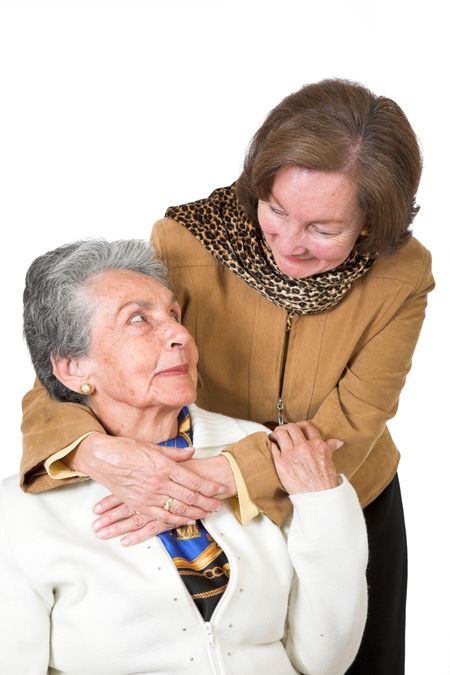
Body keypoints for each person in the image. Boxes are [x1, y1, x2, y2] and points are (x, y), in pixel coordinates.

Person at [19, 79, 434, 674]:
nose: (289, 243)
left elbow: (358, 417)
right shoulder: (186, 241)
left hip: (338, 491)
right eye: (276, 209)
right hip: (196, 493)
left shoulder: (403, 273)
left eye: (323, 229)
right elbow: (78, 363)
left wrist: (222, 475)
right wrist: (87, 451)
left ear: (374, 223)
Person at [0, 239, 368, 675]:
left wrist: (322, 498)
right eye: (138, 319)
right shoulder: (22, 515)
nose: (180, 334)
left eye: (173, 315)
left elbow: (325, 660)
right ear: (74, 368)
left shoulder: (266, 454)